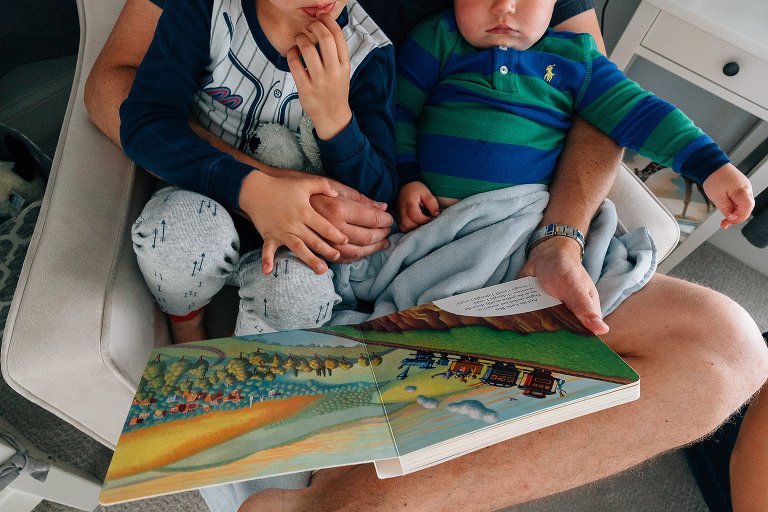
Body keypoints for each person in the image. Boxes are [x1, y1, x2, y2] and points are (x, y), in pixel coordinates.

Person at [85, 2, 768, 512]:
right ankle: (313, 469)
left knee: (730, 351)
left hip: (499, 239)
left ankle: (320, 475)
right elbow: (115, 82)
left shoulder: (385, 47)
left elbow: (603, 97)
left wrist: (560, 234)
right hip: (342, 247)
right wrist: (256, 185)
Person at [117, 0, 399, 343]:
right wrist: (249, 189)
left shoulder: (369, 51)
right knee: (176, 232)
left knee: (300, 294)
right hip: (201, 204)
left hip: (294, 247)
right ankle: (187, 326)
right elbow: (144, 123)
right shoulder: (205, 11)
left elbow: (378, 200)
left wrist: (336, 121)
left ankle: (245, 360)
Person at [392, 0, 753, 239]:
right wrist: (406, 177)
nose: (504, 6)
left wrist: (709, 166)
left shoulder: (575, 60)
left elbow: (638, 110)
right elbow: (398, 112)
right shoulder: (437, 39)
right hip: (434, 222)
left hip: (523, 225)